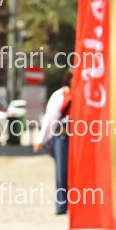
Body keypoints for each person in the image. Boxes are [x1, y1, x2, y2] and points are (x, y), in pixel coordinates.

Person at [33, 69, 74, 215]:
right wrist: (41, 139)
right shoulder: (60, 95)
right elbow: (50, 118)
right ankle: (61, 204)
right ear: (68, 79)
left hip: (82, 138)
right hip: (63, 136)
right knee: (62, 172)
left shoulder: (86, 94)